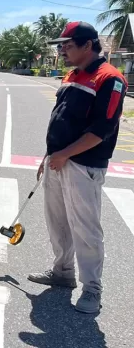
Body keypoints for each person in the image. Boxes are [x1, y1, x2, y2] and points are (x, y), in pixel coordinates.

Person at [30, 21, 128, 314]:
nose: (61, 51)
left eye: (67, 45)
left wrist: (66, 155)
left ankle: (92, 289)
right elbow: (61, 119)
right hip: (57, 162)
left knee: (85, 229)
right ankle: (62, 272)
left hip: (83, 165)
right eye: (60, 46)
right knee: (57, 222)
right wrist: (49, 156)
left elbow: (103, 129)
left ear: (88, 45)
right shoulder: (72, 75)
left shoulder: (110, 78)